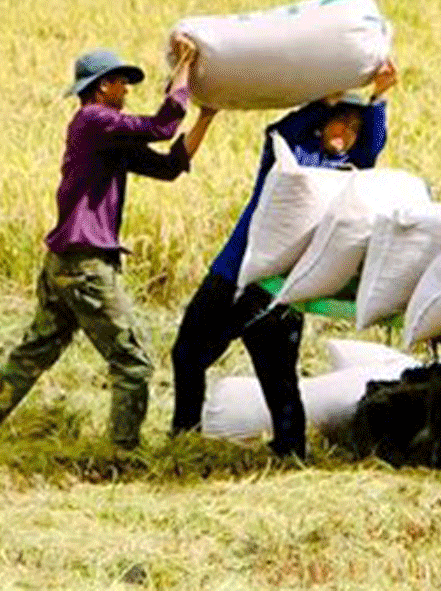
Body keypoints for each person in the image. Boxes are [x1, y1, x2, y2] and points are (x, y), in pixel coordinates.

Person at [0, 42, 218, 450]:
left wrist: (206, 117)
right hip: (85, 266)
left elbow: (167, 166)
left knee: (34, 352)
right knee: (133, 363)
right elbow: (161, 127)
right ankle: (123, 453)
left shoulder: (107, 137)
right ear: (102, 88)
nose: (127, 91)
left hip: (65, 263)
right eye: (122, 83)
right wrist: (184, 71)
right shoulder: (94, 120)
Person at [169, 61, 397, 459]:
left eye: (354, 128)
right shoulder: (292, 158)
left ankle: (284, 449)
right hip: (245, 275)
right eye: (339, 123)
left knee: (272, 371)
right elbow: (280, 131)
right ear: (321, 125)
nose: (346, 133)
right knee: (193, 355)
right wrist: (322, 102)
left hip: (269, 286)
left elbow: (372, 147)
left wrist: (378, 99)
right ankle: (190, 437)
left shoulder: (347, 172)